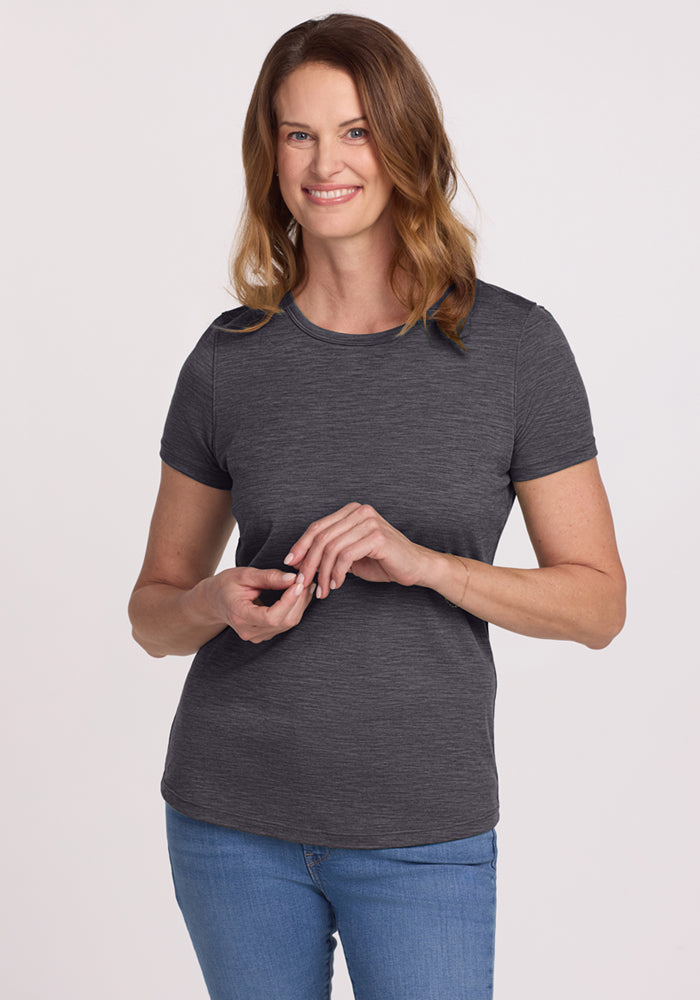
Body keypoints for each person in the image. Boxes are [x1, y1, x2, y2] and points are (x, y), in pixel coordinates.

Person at [128, 12, 626, 1000]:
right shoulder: (229, 358)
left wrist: (430, 564)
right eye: (297, 133)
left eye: (354, 130)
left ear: (406, 142)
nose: (324, 163)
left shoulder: (515, 349)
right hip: (230, 821)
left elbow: (598, 604)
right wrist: (214, 603)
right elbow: (152, 612)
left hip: (422, 829)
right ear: (269, 154)